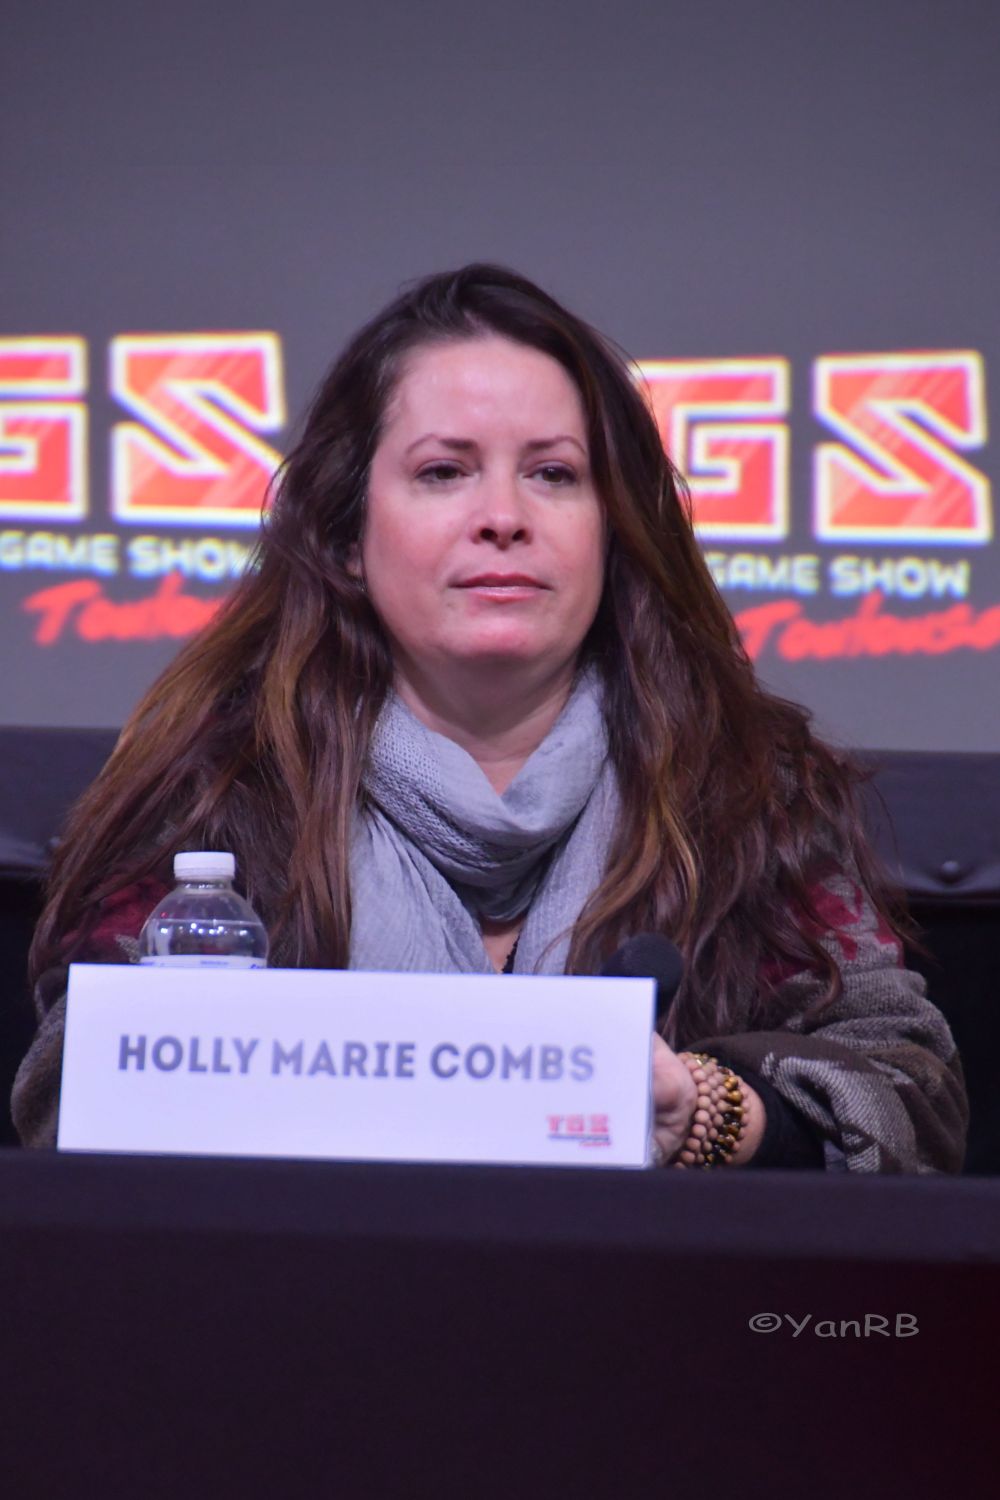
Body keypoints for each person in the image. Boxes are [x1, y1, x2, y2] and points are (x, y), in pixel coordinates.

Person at [13, 264, 967, 1171]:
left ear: (614, 529)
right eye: (444, 472)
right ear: (347, 537)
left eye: (553, 474)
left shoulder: (745, 785)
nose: (503, 517)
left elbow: (912, 1099)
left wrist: (710, 1112)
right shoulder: (217, 781)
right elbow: (69, 1093)